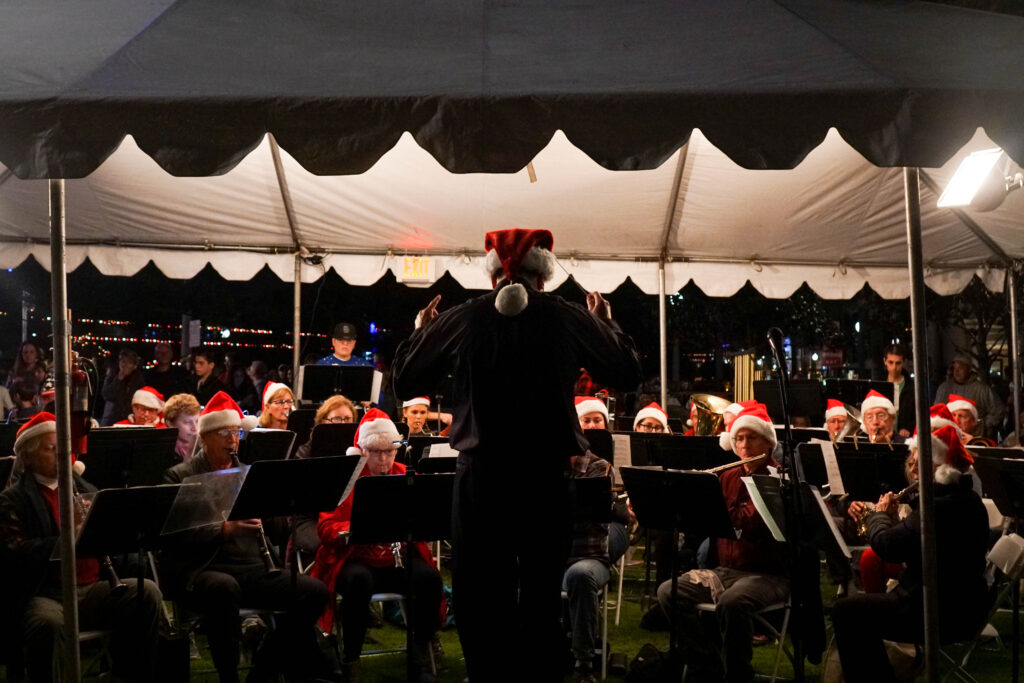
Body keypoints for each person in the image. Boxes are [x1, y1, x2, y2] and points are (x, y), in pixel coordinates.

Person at [391, 228, 642, 682]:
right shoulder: (566, 316)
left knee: (480, 595)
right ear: (543, 276)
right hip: (544, 478)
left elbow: (406, 381)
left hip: (480, 480)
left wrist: (422, 331)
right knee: (541, 597)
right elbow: (626, 371)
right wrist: (606, 323)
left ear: (493, 277)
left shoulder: (466, 317)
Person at [162, 392, 331, 683]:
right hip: (203, 568)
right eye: (224, 433)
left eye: (237, 432)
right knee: (223, 588)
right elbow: (175, 535)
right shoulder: (180, 475)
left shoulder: (248, 472)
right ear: (205, 437)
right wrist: (224, 530)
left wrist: (278, 505)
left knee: (314, 592)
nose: (233, 440)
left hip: (253, 568)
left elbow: (278, 532)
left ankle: (264, 667)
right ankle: (229, 677)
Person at [0, 412, 163, 682]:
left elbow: (110, 540)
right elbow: (15, 555)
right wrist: (69, 536)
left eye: (63, 448)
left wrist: (105, 526)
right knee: (46, 624)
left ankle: (126, 675)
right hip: (48, 593)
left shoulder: (84, 487)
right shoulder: (12, 499)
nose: (61, 455)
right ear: (27, 457)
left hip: (91, 587)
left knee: (147, 594)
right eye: (51, 449)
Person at [832, 425, 989, 682]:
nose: (913, 470)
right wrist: (895, 522)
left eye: (920, 464)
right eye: (913, 463)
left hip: (936, 610)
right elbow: (914, 545)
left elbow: (886, 546)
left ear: (942, 469)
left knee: (846, 612)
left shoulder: (936, 506)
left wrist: (880, 515)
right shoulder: (964, 497)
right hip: (961, 604)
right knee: (855, 611)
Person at [657, 403, 789, 683]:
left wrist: (712, 500)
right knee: (669, 591)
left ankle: (738, 673)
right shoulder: (727, 476)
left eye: (751, 437)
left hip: (767, 573)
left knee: (733, 602)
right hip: (726, 570)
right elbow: (705, 524)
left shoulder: (776, 479)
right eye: (739, 438)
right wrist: (693, 492)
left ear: (767, 442)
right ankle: (706, 662)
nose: (744, 445)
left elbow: (750, 524)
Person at [310, 409, 443, 683]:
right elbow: (325, 527)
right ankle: (351, 656)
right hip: (355, 559)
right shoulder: (347, 478)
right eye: (376, 453)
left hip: (397, 559)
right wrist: (346, 531)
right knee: (358, 581)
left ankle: (419, 652)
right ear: (363, 451)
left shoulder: (406, 475)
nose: (383, 460)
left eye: (389, 452)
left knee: (429, 579)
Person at [563, 448, 630, 682]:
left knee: (580, 576)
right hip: (548, 557)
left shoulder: (598, 468)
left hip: (587, 557)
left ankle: (584, 663)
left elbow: (592, 520)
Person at [290, 394, 359, 559]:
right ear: (322, 422)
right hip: (309, 519)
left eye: (347, 419)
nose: (343, 424)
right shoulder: (305, 452)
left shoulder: (357, 452)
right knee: (334, 547)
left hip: (343, 519)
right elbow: (301, 497)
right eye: (336, 419)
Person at [934, 354, 1004, 439]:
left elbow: (998, 410)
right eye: (955, 368)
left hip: (976, 438)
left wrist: (984, 425)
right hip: (950, 436)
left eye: (960, 368)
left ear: (968, 369)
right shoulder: (944, 388)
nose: (956, 372)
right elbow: (936, 412)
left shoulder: (981, 389)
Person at [100, 348, 145, 426]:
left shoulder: (139, 380)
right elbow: (106, 395)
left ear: (134, 366)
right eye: (123, 361)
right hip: (111, 419)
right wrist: (118, 379)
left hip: (130, 419)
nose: (125, 365)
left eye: (129, 362)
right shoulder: (112, 375)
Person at [882, 344, 916, 438]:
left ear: (903, 362)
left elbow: (918, 414)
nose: (894, 367)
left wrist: (908, 428)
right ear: (885, 361)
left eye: (898, 363)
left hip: (904, 437)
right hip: (882, 435)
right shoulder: (879, 384)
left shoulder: (912, 387)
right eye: (891, 362)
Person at [163, 393, 201, 462]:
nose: (195, 428)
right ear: (170, 424)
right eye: (187, 422)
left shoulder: (203, 447)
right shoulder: (164, 453)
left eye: (197, 421)